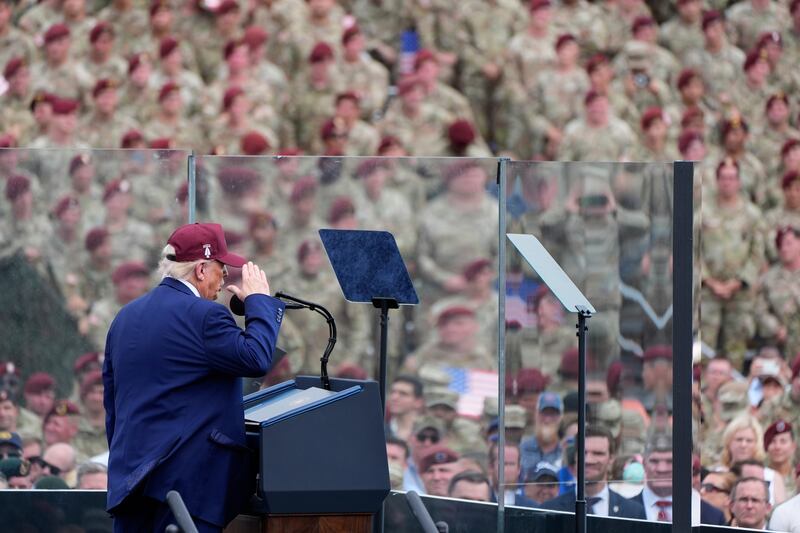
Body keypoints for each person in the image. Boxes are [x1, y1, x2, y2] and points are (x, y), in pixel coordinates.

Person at [104, 222, 284, 532]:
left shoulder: (126, 317)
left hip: (131, 483)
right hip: (187, 490)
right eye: (221, 269)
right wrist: (259, 302)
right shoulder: (205, 316)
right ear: (201, 269)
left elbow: (113, 406)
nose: (224, 278)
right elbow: (256, 358)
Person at [540, 425, 646, 519]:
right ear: (575, 456)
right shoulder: (550, 511)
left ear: (611, 459)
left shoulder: (633, 513)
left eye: (598, 453)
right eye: (583, 452)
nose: (588, 460)